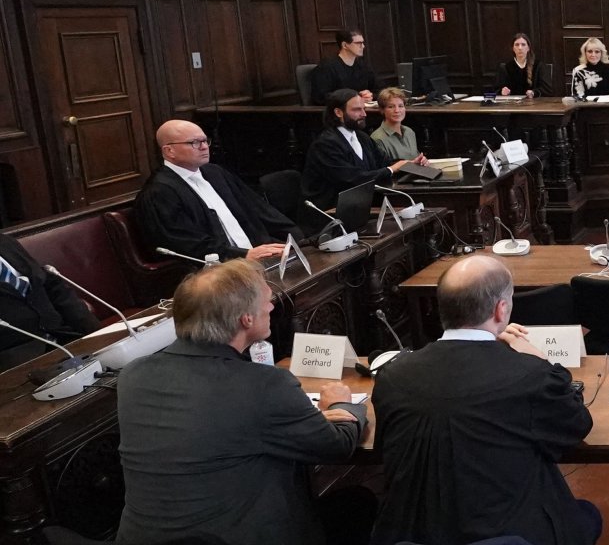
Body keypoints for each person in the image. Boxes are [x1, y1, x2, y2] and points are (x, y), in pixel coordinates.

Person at [117, 259, 368, 545]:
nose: (272, 307)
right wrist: (341, 405)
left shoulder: (132, 376)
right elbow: (336, 446)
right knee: (357, 503)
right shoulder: (265, 385)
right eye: (268, 301)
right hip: (232, 536)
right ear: (245, 319)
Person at [372, 254, 600, 545]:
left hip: (412, 534)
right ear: (501, 309)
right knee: (587, 515)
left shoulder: (392, 376)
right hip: (507, 534)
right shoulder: (530, 375)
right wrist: (544, 363)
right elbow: (577, 426)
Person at [137, 119, 301, 264]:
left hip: (255, 255)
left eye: (205, 141)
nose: (204, 147)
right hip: (218, 270)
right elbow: (185, 243)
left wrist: (297, 238)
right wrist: (243, 255)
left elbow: (258, 209)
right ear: (169, 151)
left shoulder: (215, 173)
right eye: (194, 142)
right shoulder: (160, 192)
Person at [302, 89, 409, 217]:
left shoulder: (361, 137)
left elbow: (384, 162)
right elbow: (352, 179)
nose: (364, 114)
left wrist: (410, 165)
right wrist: (391, 169)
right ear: (338, 112)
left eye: (363, 109)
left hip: (359, 207)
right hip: (329, 214)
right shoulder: (325, 144)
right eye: (357, 110)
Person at [0, 233, 98, 370]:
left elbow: (51, 284)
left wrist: (95, 333)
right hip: (20, 363)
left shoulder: (4, 242)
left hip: (65, 338)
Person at [308, 29, 375, 105]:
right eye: (358, 43)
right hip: (338, 112)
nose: (363, 46)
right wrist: (356, 98)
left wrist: (370, 95)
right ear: (345, 45)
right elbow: (321, 97)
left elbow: (378, 88)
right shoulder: (326, 67)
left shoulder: (363, 66)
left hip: (362, 109)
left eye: (362, 43)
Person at [369, 87, 428, 162]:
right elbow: (384, 169)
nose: (397, 110)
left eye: (400, 106)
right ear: (382, 110)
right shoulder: (377, 139)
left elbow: (416, 158)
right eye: (391, 107)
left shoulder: (409, 132)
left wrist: (422, 161)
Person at [499, 33, 549, 97]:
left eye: (523, 45)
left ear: (528, 48)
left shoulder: (538, 66)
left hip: (534, 104)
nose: (520, 48)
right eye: (517, 45)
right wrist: (502, 91)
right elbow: (497, 89)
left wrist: (534, 93)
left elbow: (547, 90)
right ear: (513, 48)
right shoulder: (506, 67)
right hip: (513, 105)